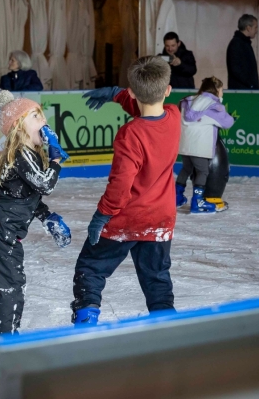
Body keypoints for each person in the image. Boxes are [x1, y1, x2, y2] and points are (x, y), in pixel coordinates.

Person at [71, 56, 179, 326]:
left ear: (132, 91)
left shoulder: (130, 133)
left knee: (91, 269)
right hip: (160, 219)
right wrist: (116, 95)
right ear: (168, 90)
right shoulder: (175, 116)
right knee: (157, 281)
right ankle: (169, 332)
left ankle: (85, 322)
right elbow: (149, 112)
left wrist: (101, 215)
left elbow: (120, 185)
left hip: (127, 218)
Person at [0, 89, 70, 339]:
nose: (44, 121)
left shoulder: (28, 155)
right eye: (36, 116)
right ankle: (1, 343)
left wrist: (47, 217)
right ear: (18, 125)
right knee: (9, 286)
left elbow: (27, 195)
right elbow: (45, 184)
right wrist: (56, 159)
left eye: (43, 115)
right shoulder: (21, 154)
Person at [175, 76, 234, 214]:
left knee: (186, 169)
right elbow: (227, 123)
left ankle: (176, 197)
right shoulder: (213, 105)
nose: (222, 93)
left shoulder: (187, 101)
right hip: (199, 146)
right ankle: (197, 201)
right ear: (217, 89)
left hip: (185, 145)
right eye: (221, 90)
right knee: (203, 171)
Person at [226, 14, 259, 90]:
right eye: (255, 27)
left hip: (247, 89)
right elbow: (236, 69)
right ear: (248, 28)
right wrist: (250, 84)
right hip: (241, 91)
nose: (256, 30)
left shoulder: (245, 43)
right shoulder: (237, 44)